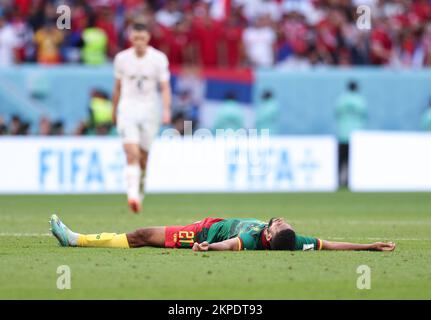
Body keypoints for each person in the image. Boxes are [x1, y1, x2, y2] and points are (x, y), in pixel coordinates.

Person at [50, 214, 396, 252]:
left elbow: (231, 245)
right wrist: (368, 246)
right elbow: (330, 244)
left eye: (278, 226)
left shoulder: (252, 240)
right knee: (141, 235)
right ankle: (78, 239)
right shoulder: (295, 242)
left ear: (270, 238)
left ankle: (76, 240)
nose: (279, 220)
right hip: (211, 225)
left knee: (141, 235)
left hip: (205, 231)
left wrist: (206, 247)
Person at [112, 19, 172, 213]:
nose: (138, 41)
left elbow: (164, 87)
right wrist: (114, 109)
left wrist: (166, 109)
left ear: (148, 38)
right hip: (127, 108)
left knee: (143, 159)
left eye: (142, 38)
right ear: (131, 38)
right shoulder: (121, 58)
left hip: (150, 110)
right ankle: (132, 196)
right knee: (131, 153)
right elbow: (118, 86)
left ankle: (140, 187)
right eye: (135, 38)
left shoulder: (159, 59)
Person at [335, 81, 367, 188]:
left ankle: (338, 181)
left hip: (343, 133)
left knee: (341, 159)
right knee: (353, 160)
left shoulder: (342, 99)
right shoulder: (360, 100)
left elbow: (337, 113)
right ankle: (350, 182)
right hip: (355, 135)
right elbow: (364, 114)